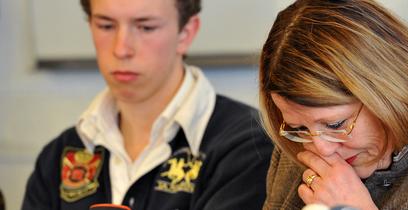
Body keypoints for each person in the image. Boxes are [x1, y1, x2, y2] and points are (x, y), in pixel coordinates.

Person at [22, 0, 272, 209]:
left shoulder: (248, 145)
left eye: (146, 27)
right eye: (106, 25)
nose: (121, 49)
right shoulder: (59, 155)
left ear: (186, 33)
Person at [258, 0, 408, 209]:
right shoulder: (295, 149)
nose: (322, 150)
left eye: (335, 125)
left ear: (390, 90)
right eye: (299, 128)